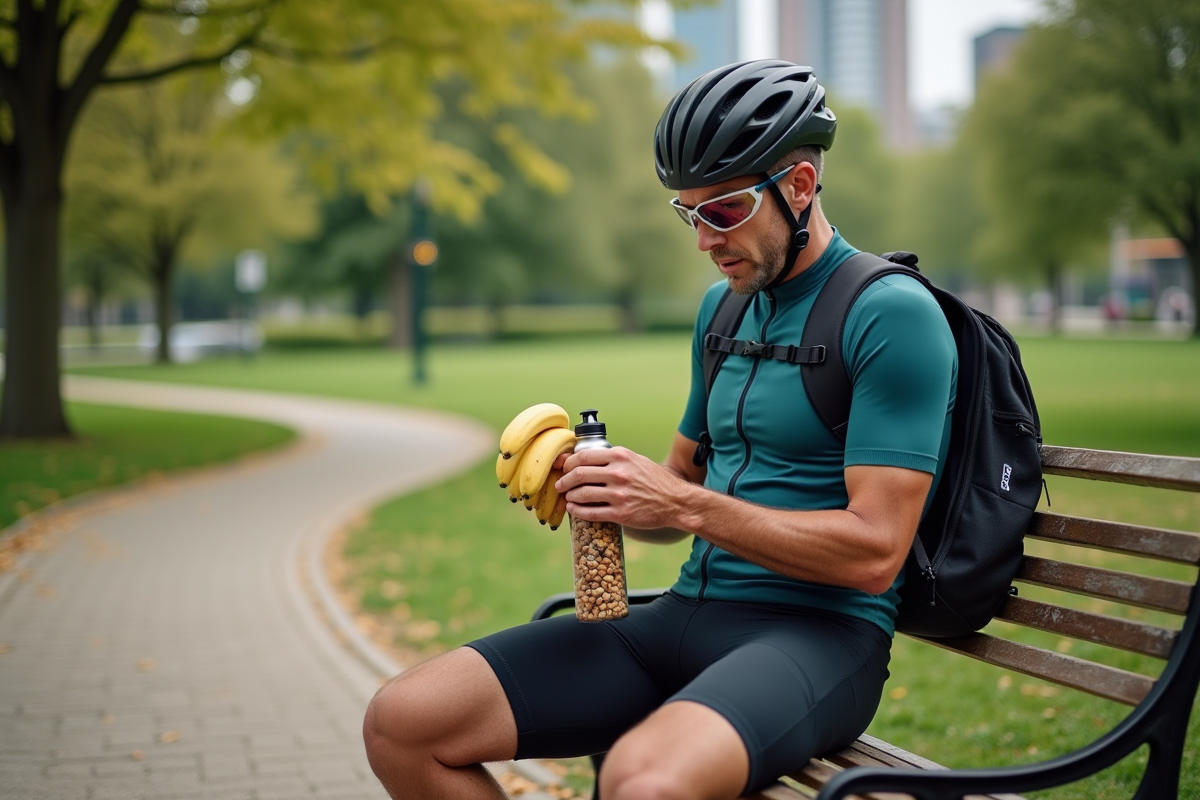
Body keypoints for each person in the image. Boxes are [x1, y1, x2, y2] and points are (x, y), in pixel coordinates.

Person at [363, 60, 957, 800]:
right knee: (403, 723)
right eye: (690, 213)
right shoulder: (721, 313)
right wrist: (614, 490)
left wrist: (683, 506)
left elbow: (875, 553)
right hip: (681, 617)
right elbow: (677, 498)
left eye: (727, 210)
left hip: (817, 637)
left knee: (640, 780)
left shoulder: (889, 314)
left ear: (800, 186)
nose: (706, 238)